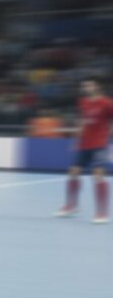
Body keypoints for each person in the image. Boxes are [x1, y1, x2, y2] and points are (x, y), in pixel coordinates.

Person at [55, 79, 111, 224]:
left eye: (89, 85)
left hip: (99, 144)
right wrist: (77, 139)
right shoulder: (83, 102)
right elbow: (82, 121)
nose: (85, 87)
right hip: (84, 144)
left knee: (98, 175)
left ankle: (102, 212)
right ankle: (71, 206)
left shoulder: (106, 103)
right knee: (73, 172)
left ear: (97, 87)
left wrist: (108, 134)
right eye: (84, 85)